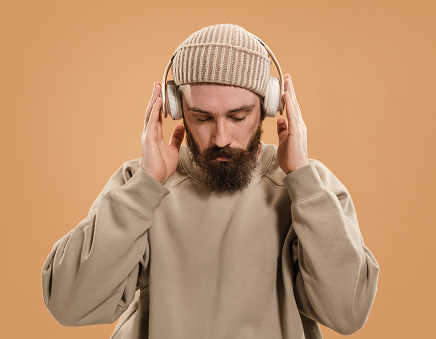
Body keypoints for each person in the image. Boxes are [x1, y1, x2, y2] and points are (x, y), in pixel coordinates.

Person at [41, 23, 380, 339]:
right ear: (175, 109)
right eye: (202, 118)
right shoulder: (142, 185)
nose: (221, 137)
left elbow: (347, 313)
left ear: (270, 106)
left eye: (238, 116)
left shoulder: (308, 187)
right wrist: (146, 186)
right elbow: (69, 303)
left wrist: (302, 181)